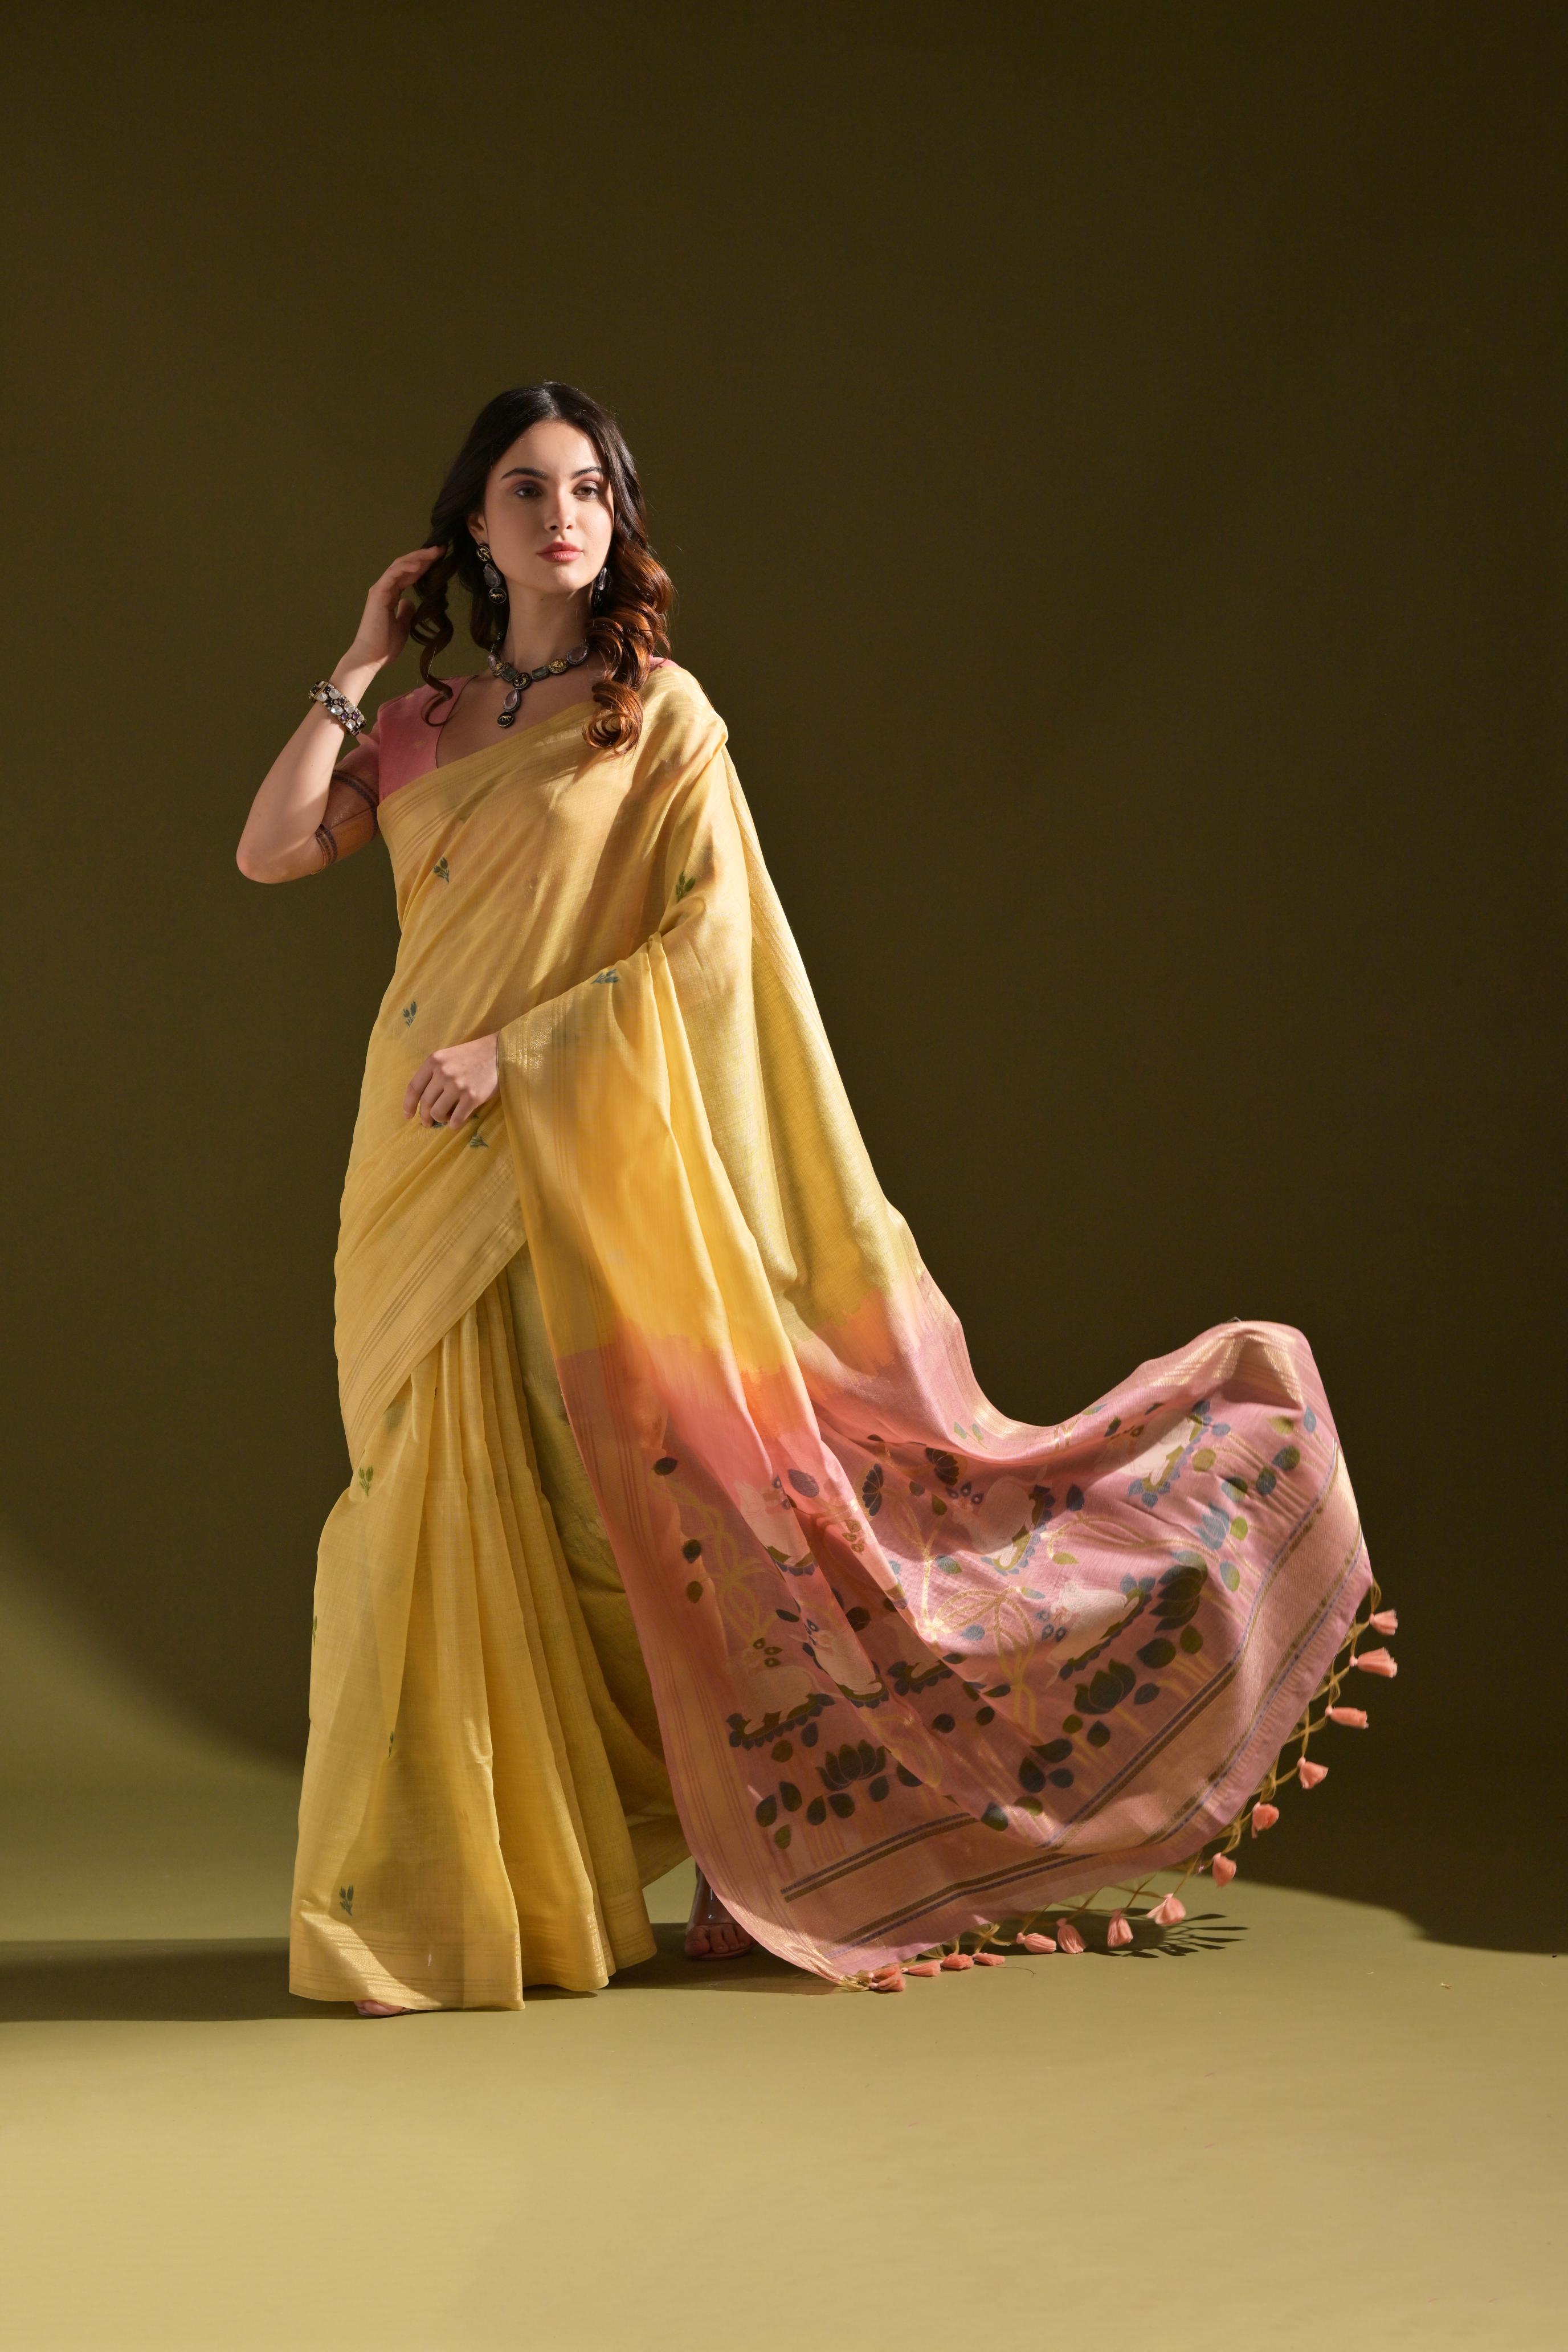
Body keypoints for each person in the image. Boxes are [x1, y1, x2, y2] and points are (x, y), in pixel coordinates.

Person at [236, 382, 1393, 2015]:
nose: (562, 516)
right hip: (417, 1163)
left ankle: (757, 1821)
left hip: (577, 1149)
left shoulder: (657, 716)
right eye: (526, 490)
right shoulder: (421, 724)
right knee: (433, 1500)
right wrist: (360, 661)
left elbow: (710, 948)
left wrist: (525, 1052)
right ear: (474, 530)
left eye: (589, 489)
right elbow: (274, 848)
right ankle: (482, 1889)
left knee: (635, 1504)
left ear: (617, 521)